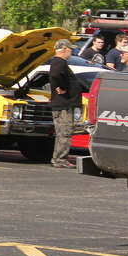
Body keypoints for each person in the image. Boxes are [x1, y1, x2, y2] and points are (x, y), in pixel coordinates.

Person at [47, 38, 81, 169]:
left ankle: (59, 158)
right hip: (63, 105)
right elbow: (55, 75)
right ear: (64, 49)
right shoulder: (59, 62)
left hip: (64, 104)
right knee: (64, 132)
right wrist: (61, 87)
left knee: (63, 132)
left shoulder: (58, 62)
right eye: (70, 50)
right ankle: (60, 159)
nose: (71, 52)